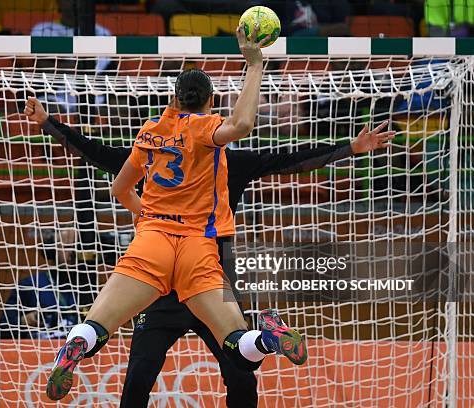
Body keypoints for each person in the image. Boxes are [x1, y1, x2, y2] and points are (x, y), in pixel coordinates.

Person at [27, 27, 393, 402]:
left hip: (153, 243)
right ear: (212, 101)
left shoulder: (151, 134)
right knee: (239, 350)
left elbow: (106, 166)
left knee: (102, 329)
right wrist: (257, 67)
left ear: (172, 99)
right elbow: (283, 155)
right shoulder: (215, 138)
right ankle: (265, 338)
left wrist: (49, 125)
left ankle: (74, 347)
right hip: (202, 254)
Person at [0, 228, 79, 340]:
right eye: (67, 247)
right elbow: (2, 329)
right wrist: (24, 321)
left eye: (77, 247)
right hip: (39, 353)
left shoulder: (90, 287)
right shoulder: (30, 285)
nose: (73, 253)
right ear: (51, 251)